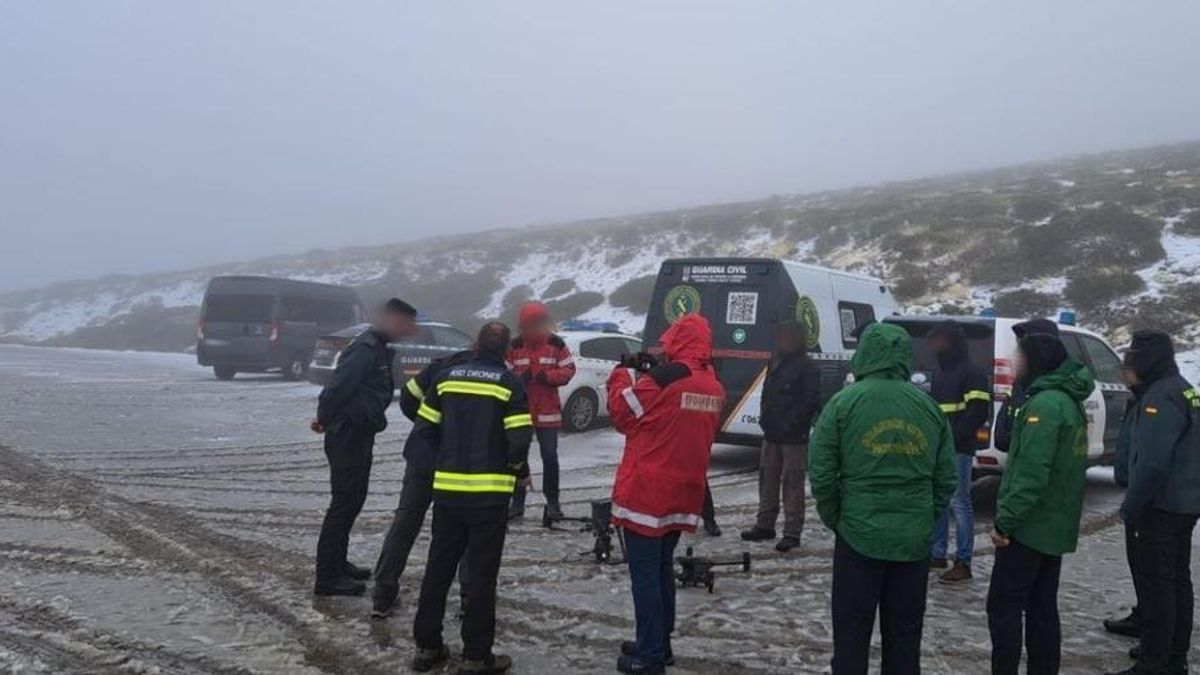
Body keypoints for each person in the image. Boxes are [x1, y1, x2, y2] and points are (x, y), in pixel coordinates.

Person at [809, 322, 957, 675]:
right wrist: (924, 516)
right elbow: (946, 477)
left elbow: (822, 471)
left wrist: (838, 518)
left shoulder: (843, 404)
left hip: (859, 536)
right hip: (913, 541)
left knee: (851, 635)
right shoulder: (928, 408)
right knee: (905, 638)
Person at [410, 321, 533, 674]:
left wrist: (442, 464)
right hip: (488, 499)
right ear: (507, 350)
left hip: (448, 494)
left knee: (438, 569)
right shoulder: (509, 383)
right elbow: (519, 439)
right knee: (481, 576)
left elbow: (423, 430)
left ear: (477, 344)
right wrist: (516, 470)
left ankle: (427, 647)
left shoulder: (446, 377)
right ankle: (477, 656)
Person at [607, 314, 725, 674]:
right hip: (684, 493)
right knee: (660, 570)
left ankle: (650, 657)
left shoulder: (666, 378)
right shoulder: (712, 385)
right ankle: (658, 642)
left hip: (647, 492)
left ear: (678, 340)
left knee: (645, 574)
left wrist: (623, 376)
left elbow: (621, 412)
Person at [986, 319, 1093, 675]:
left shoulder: (1044, 406)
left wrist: (1005, 521)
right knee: (1042, 606)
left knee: (1004, 605)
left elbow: (1031, 474)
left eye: (1019, 354)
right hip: (1053, 524)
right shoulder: (1066, 401)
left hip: (1031, 526)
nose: (1014, 360)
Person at [310, 298, 417, 596]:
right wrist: (323, 417)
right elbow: (339, 385)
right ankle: (327, 578)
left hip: (359, 432)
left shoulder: (378, 347)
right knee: (344, 503)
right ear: (393, 320)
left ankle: (338, 563)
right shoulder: (366, 347)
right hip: (348, 433)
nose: (411, 330)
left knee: (353, 500)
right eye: (407, 324)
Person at [1108, 330, 1200, 675]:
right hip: (1184, 501)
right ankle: (1173, 657)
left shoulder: (1159, 397)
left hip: (1161, 505)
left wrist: (1131, 506)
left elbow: (1152, 462)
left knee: (1158, 585)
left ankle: (1155, 662)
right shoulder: (1183, 388)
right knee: (1177, 581)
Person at [371, 347, 474, 619]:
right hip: (461, 464)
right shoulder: (495, 375)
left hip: (423, 456)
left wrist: (425, 426)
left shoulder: (439, 366)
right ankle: (469, 599)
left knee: (405, 522)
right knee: (467, 528)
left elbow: (408, 397)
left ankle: (382, 592)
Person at [741, 320, 821, 552]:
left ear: (798, 338)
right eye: (781, 335)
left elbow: (811, 401)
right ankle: (765, 524)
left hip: (794, 437)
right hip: (772, 433)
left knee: (792, 484)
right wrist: (765, 419)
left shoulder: (808, 367)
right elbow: (767, 393)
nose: (783, 340)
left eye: (788, 336)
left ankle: (792, 531)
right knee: (767, 480)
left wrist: (793, 424)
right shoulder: (775, 361)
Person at [926, 320, 992, 582]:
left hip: (958, 448)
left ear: (952, 341)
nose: (934, 346)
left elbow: (978, 411)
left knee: (960, 502)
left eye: (939, 340)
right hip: (940, 447)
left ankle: (963, 561)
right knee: (939, 500)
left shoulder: (972, 372)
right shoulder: (940, 372)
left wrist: (954, 438)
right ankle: (937, 553)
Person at [506, 302, 575, 521]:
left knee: (550, 457)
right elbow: (504, 374)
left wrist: (548, 377)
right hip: (521, 411)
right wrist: (519, 380)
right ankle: (517, 504)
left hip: (547, 411)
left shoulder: (556, 343)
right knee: (517, 457)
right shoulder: (514, 346)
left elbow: (569, 369)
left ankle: (553, 504)